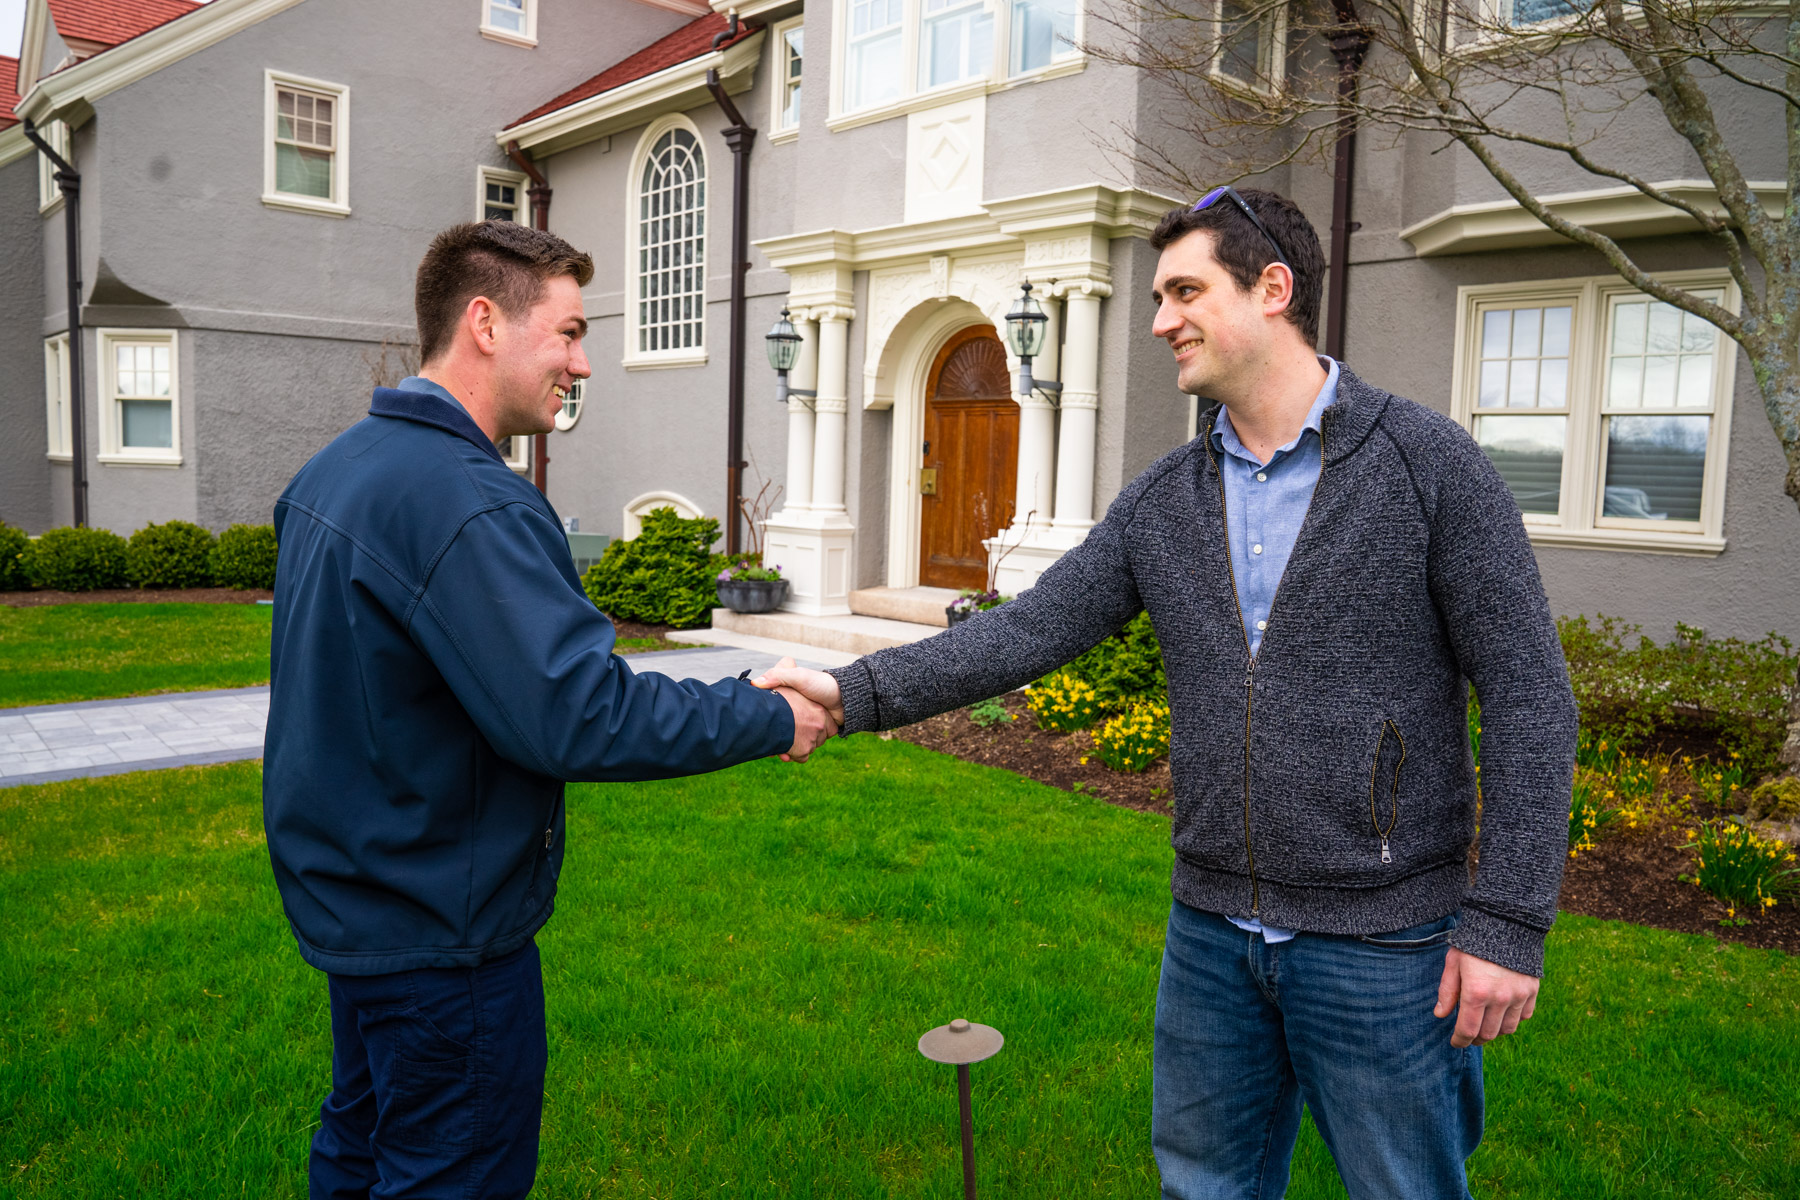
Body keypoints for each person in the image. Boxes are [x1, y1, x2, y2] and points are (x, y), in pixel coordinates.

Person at [756, 188, 1578, 1199]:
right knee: (1204, 1188)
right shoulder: (1164, 499)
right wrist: (849, 692)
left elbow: (1531, 692)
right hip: (1210, 938)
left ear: (1271, 288)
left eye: (1184, 290)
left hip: (1385, 940)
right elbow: (1028, 629)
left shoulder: (1427, 464)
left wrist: (1506, 923)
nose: (1159, 321)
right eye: (1156, 295)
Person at [263, 220, 837, 1199]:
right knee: (447, 1168)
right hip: (443, 942)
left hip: (358, 914)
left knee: (360, 1150)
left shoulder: (337, 472)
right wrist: (766, 714)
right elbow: (576, 713)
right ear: (485, 322)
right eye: (569, 332)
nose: (581, 362)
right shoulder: (468, 502)